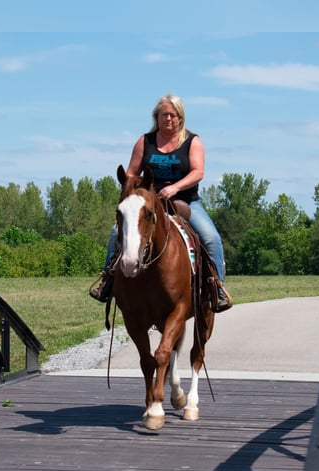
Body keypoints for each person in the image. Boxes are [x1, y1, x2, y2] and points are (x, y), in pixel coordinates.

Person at [89, 93, 233, 313]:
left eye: (174, 115)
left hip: (184, 201)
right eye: (164, 115)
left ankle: (217, 287)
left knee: (211, 238)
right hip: (147, 202)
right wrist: (132, 191)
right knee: (115, 232)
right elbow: (131, 173)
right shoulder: (144, 142)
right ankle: (108, 280)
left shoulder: (192, 141)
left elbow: (198, 172)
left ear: (181, 118)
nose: (169, 119)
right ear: (156, 117)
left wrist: (175, 187)